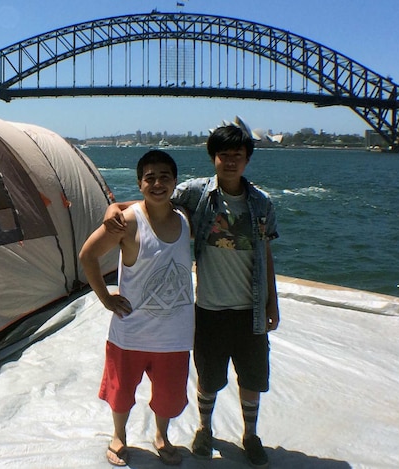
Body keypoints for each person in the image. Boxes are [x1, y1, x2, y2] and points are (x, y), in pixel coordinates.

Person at [104, 118, 280, 468]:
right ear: (213, 158)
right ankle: (204, 429)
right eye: (223, 154)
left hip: (252, 309)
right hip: (209, 307)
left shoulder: (262, 203)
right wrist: (115, 208)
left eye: (238, 155)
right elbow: (153, 199)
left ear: (247, 158)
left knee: (253, 377)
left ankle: (250, 434)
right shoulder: (197, 193)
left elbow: (267, 253)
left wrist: (272, 300)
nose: (231, 161)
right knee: (209, 375)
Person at [79, 149, 194, 467]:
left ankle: (161, 435)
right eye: (150, 177)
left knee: (169, 397)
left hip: (175, 335)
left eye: (164, 177)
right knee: (121, 392)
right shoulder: (127, 222)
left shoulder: (186, 220)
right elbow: (88, 255)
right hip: (131, 332)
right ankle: (119, 435)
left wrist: (116, 203)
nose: (157, 183)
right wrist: (105, 298)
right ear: (140, 183)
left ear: (175, 182)